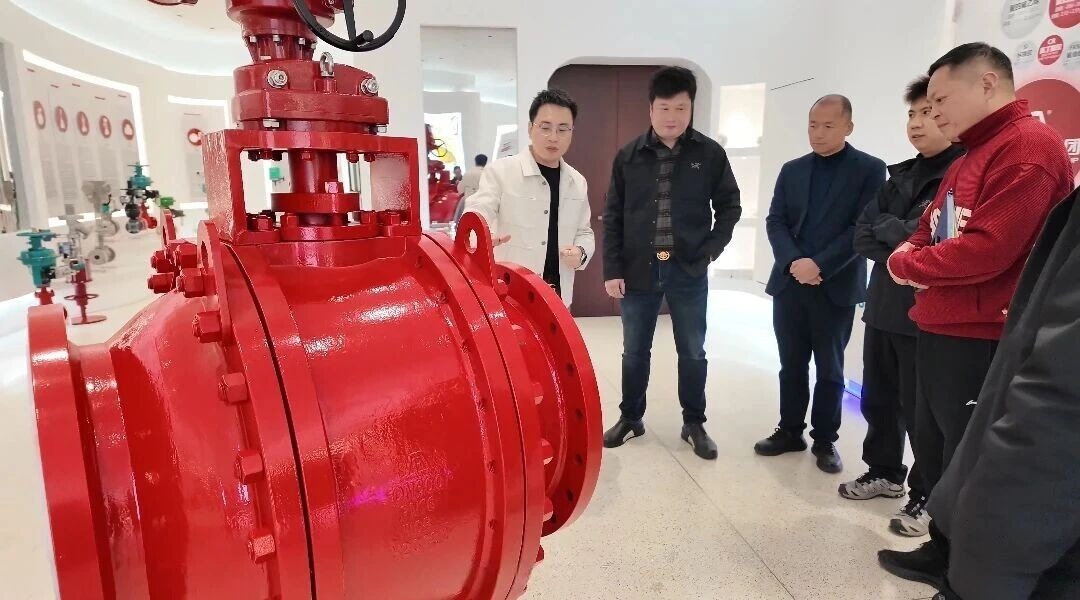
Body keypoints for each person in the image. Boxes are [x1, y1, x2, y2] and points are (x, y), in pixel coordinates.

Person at [878, 42, 1074, 591]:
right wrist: (911, 259)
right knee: (937, 448)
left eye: (941, 99)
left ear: (987, 83)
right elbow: (928, 227)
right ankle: (942, 547)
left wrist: (906, 264)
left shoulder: (1028, 148)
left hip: (984, 333)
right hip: (940, 322)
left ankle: (964, 568)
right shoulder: (972, 153)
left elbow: (989, 249)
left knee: (970, 455)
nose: (934, 112)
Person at [839, 76, 965, 538]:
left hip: (926, 314)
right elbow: (862, 235)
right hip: (884, 306)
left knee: (923, 414)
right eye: (912, 113)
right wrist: (903, 233)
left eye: (928, 112)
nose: (917, 122)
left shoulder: (962, 173)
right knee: (878, 399)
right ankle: (885, 471)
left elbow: (938, 239)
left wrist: (895, 231)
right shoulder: (901, 174)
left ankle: (928, 493)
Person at [600, 66, 741, 461]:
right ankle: (631, 418)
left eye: (681, 108)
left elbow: (730, 206)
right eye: (664, 108)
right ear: (650, 109)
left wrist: (710, 250)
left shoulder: (709, 154)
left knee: (693, 350)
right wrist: (612, 269)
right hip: (638, 270)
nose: (672, 117)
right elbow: (613, 216)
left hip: (688, 270)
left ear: (691, 108)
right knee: (634, 350)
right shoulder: (629, 156)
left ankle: (694, 422)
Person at [755, 95, 886, 474]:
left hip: (835, 285)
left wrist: (819, 264)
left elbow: (861, 227)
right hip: (790, 284)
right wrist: (794, 262)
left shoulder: (870, 169)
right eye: (813, 125)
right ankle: (789, 430)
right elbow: (776, 220)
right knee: (790, 364)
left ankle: (825, 440)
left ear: (848, 127)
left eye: (829, 126)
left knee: (830, 369)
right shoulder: (792, 170)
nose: (819, 133)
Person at [463, 89, 594, 306]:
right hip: (511, 294)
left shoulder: (577, 181)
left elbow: (584, 231)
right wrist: (481, 235)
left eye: (562, 129)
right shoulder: (501, 171)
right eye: (545, 127)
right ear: (530, 128)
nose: (553, 137)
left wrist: (581, 252)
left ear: (572, 132)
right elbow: (478, 210)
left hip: (558, 296)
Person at [454, 154, 488, 223]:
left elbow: (460, 189)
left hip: (469, 207)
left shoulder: (468, 173)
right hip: (484, 208)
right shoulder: (488, 174)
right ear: (485, 162)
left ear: (475, 162)